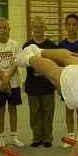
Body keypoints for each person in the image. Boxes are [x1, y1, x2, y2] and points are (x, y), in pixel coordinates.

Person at [0, 17, 25, 148]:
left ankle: (14, 136)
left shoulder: (15, 44)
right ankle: (1, 137)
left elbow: (16, 63)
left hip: (13, 83)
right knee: (0, 110)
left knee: (13, 109)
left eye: (4, 27)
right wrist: (3, 79)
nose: (2, 30)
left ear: (9, 29)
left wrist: (7, 78)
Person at [23, 16, 57, 148]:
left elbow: (55, 64)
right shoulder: (27, 46)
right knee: (35, 112)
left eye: (41, 27)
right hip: (32, 84)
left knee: (48, 112)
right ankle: (37, 137)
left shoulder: (51, 46)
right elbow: (25, 62)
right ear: (32, 28)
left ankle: (47, 137)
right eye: (35, 27)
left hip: (48, 84)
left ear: (45, 28)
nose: (38, 29)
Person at [59, 13, 78, 147]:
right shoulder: (61, 44)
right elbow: (58, 64)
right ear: (65, 26)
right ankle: (71, 135)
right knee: (69, 108)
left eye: (74, 25)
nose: (71, 27)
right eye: (69, 25)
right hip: (67, 81)